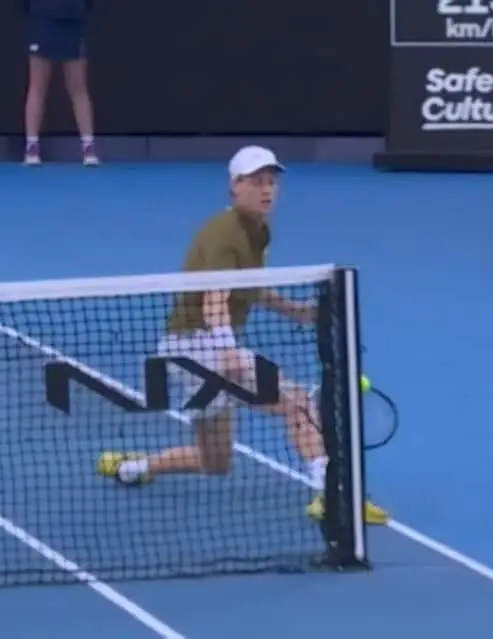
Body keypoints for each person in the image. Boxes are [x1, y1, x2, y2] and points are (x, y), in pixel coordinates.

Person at [95, 146, 388, 526]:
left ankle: (131, 468)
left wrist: (295, 311)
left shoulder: (258, 231)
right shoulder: (225, 233)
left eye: (271, 182)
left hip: (190, 351)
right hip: (198, 346)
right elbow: (215, 297)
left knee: (215, 461)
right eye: (256, 182)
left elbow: (250, 286)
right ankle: (332, 496)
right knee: (297, 403)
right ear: (235, 186)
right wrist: (227, 349)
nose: (267, 189)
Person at [21, 0, 99, 166]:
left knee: (78, 88)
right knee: (37, 86)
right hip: (42, 18)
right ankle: (32, 146)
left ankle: (88, 147)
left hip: (72, 19)